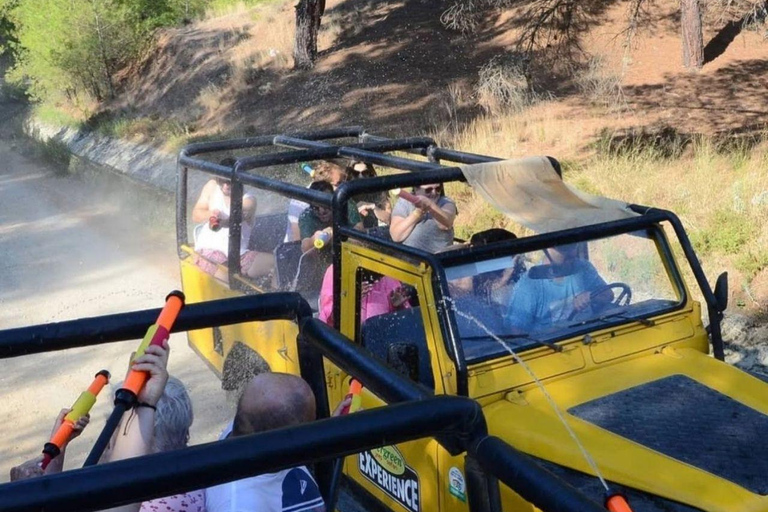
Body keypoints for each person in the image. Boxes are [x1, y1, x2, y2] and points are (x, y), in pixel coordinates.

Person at [9, 342, 204, 512]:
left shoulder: (156, 503)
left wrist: (26, 498)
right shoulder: (189, 471)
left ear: (146, 439)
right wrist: (57, 452)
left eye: (115, 425)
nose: (109, 434)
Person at [205, 373, 325, 512]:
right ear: (284, 442)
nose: (313, 434)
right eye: (309, 427)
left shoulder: (248, 428)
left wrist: (333, 430)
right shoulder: (239, 505)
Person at [193, 157, 274, 282]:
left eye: (229, 181)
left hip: (239, 255)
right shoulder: (211, 186)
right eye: (222, 181)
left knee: (277, 264)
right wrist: (210, 214)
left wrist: (222, 222)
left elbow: (235, 218)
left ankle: (278, 297)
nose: (225, 185)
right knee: (230, 278)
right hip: (209, 250)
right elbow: (196, 214)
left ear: (239, 180)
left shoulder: (249, 200)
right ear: (217, 178)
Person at [504, 243, 612, 334]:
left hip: (590, 335)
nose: (572, 252)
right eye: (563, 248)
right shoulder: (530, 284)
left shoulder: (583, 268)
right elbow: (516, 331)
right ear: (547, 249)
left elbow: (609, 295)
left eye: (573, 246)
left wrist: (591, 296)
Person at [318, 266, 410, 328]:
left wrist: (397, 306)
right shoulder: (338, 269)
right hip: (346, 344)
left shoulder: (386, 272)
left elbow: (401, 324)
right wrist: (350, 299)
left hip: (381, 340)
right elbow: (329, 320)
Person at [285, 160, 353, 243]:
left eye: (343, 182)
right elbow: (297, 243)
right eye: (338, 184)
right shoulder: (300, 203)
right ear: (325, 186)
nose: (343, 188)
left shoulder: (340, 197)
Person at [298, 181, 363, 255]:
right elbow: (305, 249)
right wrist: (313, 239)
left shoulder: (346, 204)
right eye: (315, 207)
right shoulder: (306, 216)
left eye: (325, 204)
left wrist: (335, 235)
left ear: (334, 200)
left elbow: (361, 240)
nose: (321, 211)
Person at [390, 183, 457, 253]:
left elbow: (446, 224)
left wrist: (429, 205)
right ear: (416, 189)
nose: (434, 193)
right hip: (411, 258)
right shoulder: (404, 203)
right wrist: (418, 212)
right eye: (428, 190)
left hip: (438, 259)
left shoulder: (446, 202)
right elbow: (396, 236)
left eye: (438, 189)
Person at [347, 161, 391, 228]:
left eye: (365, 173)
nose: (360, 176)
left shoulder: (379, 191)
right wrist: (354, 211)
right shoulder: (346, 194)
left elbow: (389, 220)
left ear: (371, 173)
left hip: (376, 233)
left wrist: (373, 207)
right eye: (356, 173)